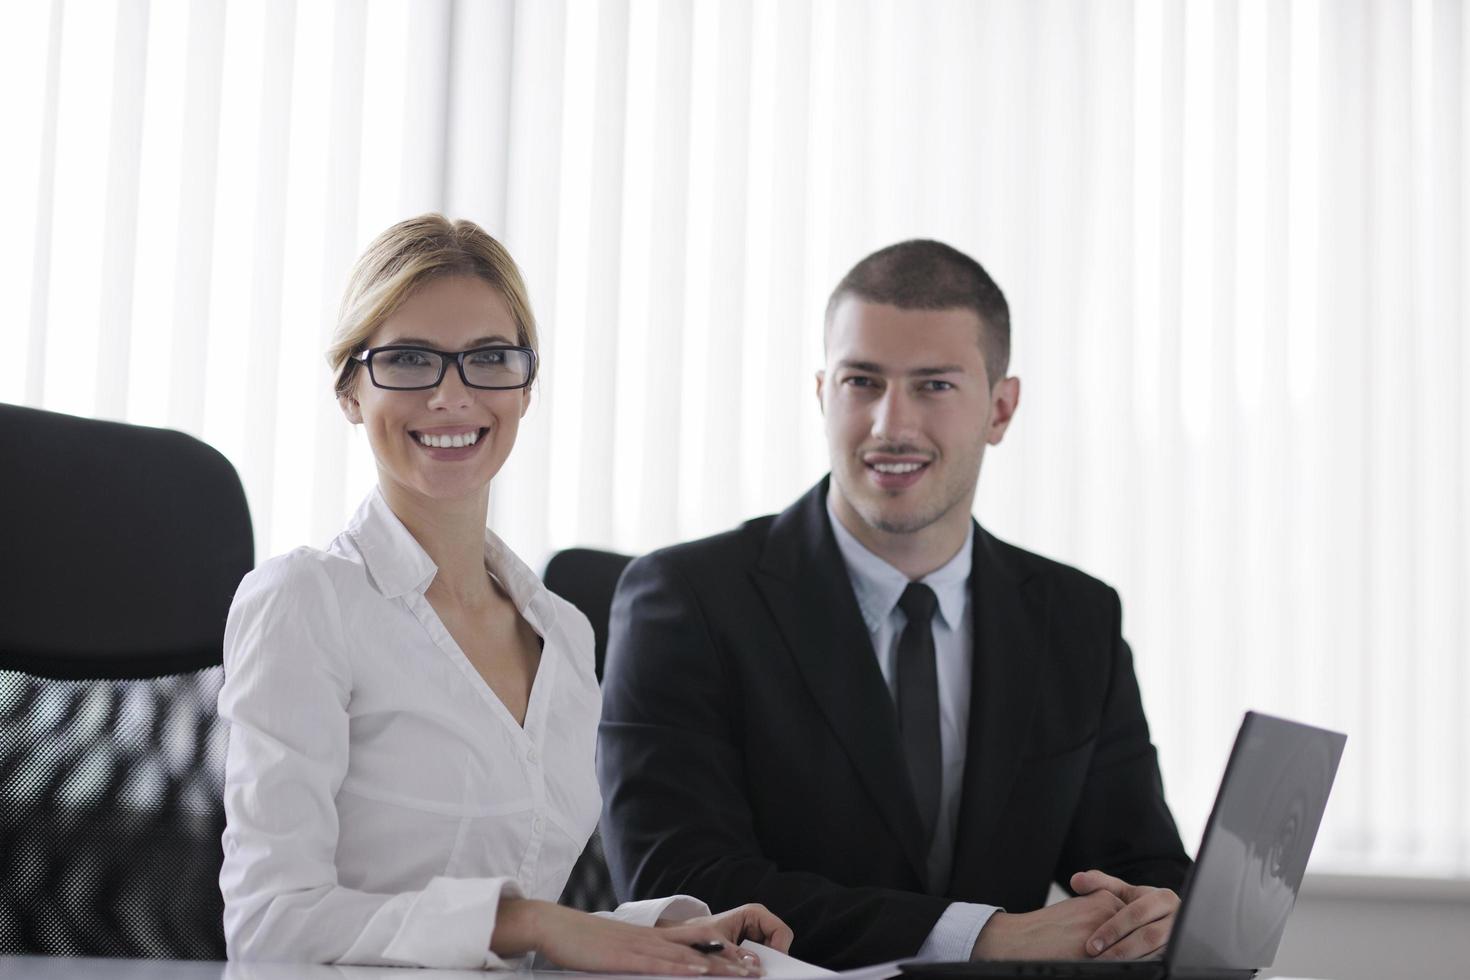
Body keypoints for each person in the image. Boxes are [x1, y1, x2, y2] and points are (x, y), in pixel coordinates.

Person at [218, 214, 791, 970]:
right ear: (351, 391)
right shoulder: (306, 604)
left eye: (489, 358)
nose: (453, 396)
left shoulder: (563, 631)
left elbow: (514, 917)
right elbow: (270, 926)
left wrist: (650, 936)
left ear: (525, 388)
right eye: (410, 359)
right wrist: (537, 925)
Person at [597, 240, 1190, 969]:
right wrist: (986, 936)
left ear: (1000, 409)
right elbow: (677, 889)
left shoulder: (1076, 618)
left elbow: (1144, 868)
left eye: (934, 386)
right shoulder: (686, 601)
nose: (890, 425)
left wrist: (1157, 915)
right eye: (862, 382)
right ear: (822, 394)